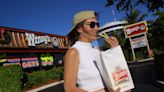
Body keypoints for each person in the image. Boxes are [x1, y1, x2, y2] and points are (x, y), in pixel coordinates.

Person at [64, 10, 127, 92]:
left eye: (97, 24)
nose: (97, 28)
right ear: (79, 28)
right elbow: (69, 89)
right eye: (92, 25)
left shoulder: (97, 50)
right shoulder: (74, 51)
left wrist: (115, 50)